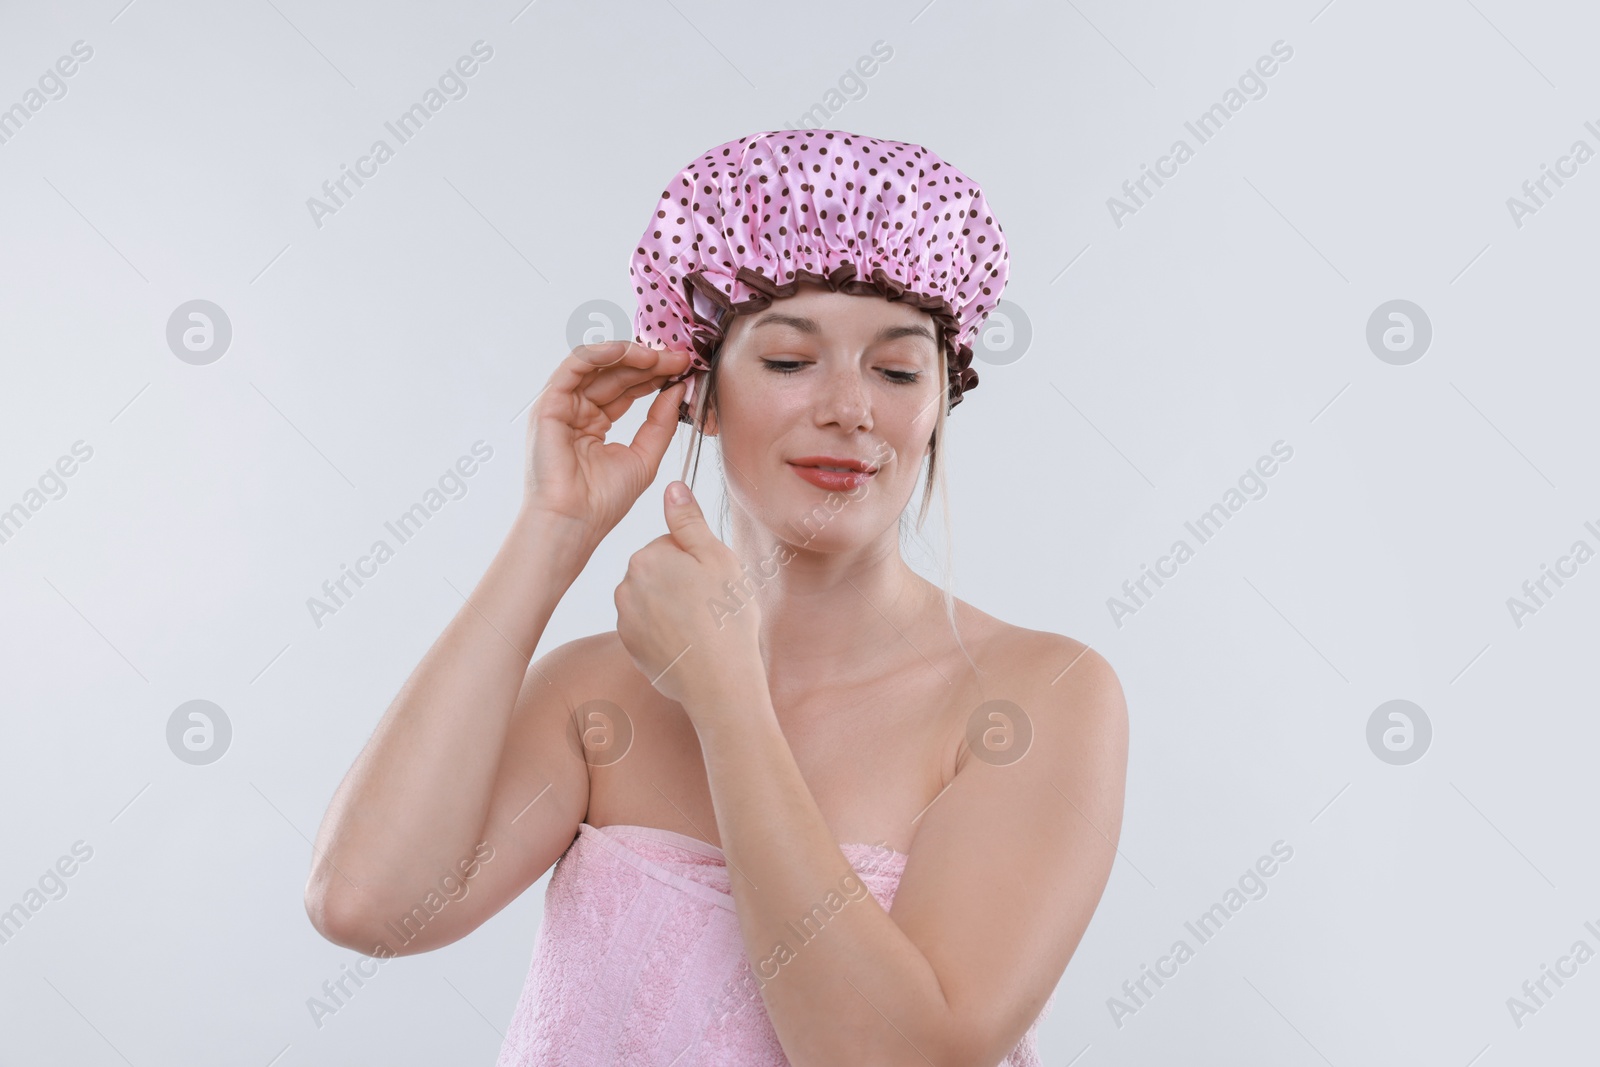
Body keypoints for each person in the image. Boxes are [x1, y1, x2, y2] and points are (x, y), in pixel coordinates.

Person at [304, 129, 1128, 1066]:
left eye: (897, 370)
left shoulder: (1041, 696)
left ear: (942, 402)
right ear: (698, 390)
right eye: (788, 361)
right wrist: (553, 530)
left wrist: (727, 697)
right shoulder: (595, 700)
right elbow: (363, 902)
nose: (852, 409)